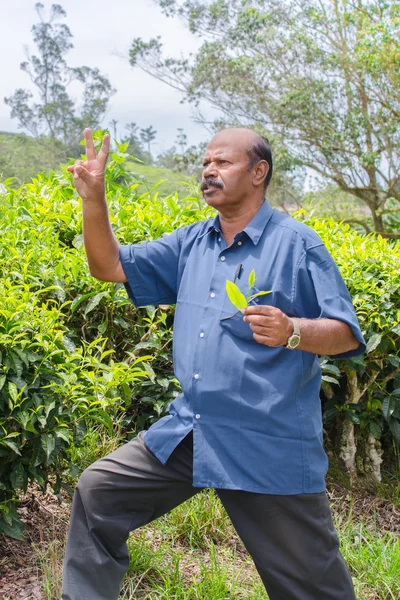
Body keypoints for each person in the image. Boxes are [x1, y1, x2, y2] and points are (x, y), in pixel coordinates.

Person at [62, 127, 365, 600]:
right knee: (99, 491)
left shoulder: (298, 245)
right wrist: (94, 199)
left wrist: (294, 331)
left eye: (222, 163)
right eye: (205, 163)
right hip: (193, 430)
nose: (208, 171)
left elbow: (347, 333)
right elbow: (109, 266)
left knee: (313, 586)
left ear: (259, 172)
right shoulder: (192, 243)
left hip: (266, 440)